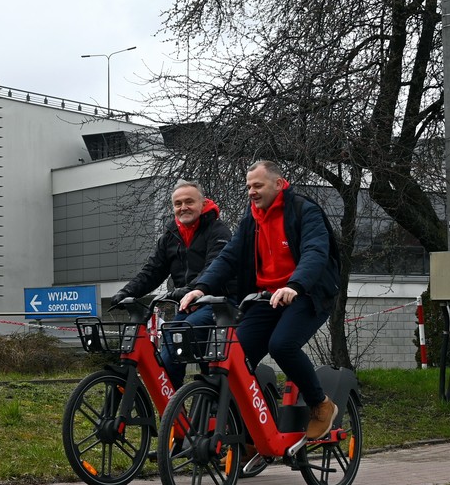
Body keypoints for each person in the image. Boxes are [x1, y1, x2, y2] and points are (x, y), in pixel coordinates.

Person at [180, 160, 340, 441]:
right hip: (266, 298)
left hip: (307, 293)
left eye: (258, 185)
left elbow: (316, 252)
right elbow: (229, 256)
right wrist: (201, 287)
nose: (251, 192)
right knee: (235, 357)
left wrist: (295, 285)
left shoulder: (304, 210)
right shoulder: (251, 218)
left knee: (282, 345)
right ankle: (254, 430)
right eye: (248, 187)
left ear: (278, 184)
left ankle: (320, 404)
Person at [109, 179, 232, 388]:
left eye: (189, 202)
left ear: (202, 204)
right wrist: (127, 292)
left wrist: (191, 289)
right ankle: (174, 413)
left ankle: (213, 403)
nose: (183, 207)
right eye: (178, 203)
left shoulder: (218, 231)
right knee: (167, 361)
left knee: (183, 333)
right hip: (187, 305)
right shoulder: (170, 236)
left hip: (218, 304)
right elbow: (153, 271)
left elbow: (214, 267)